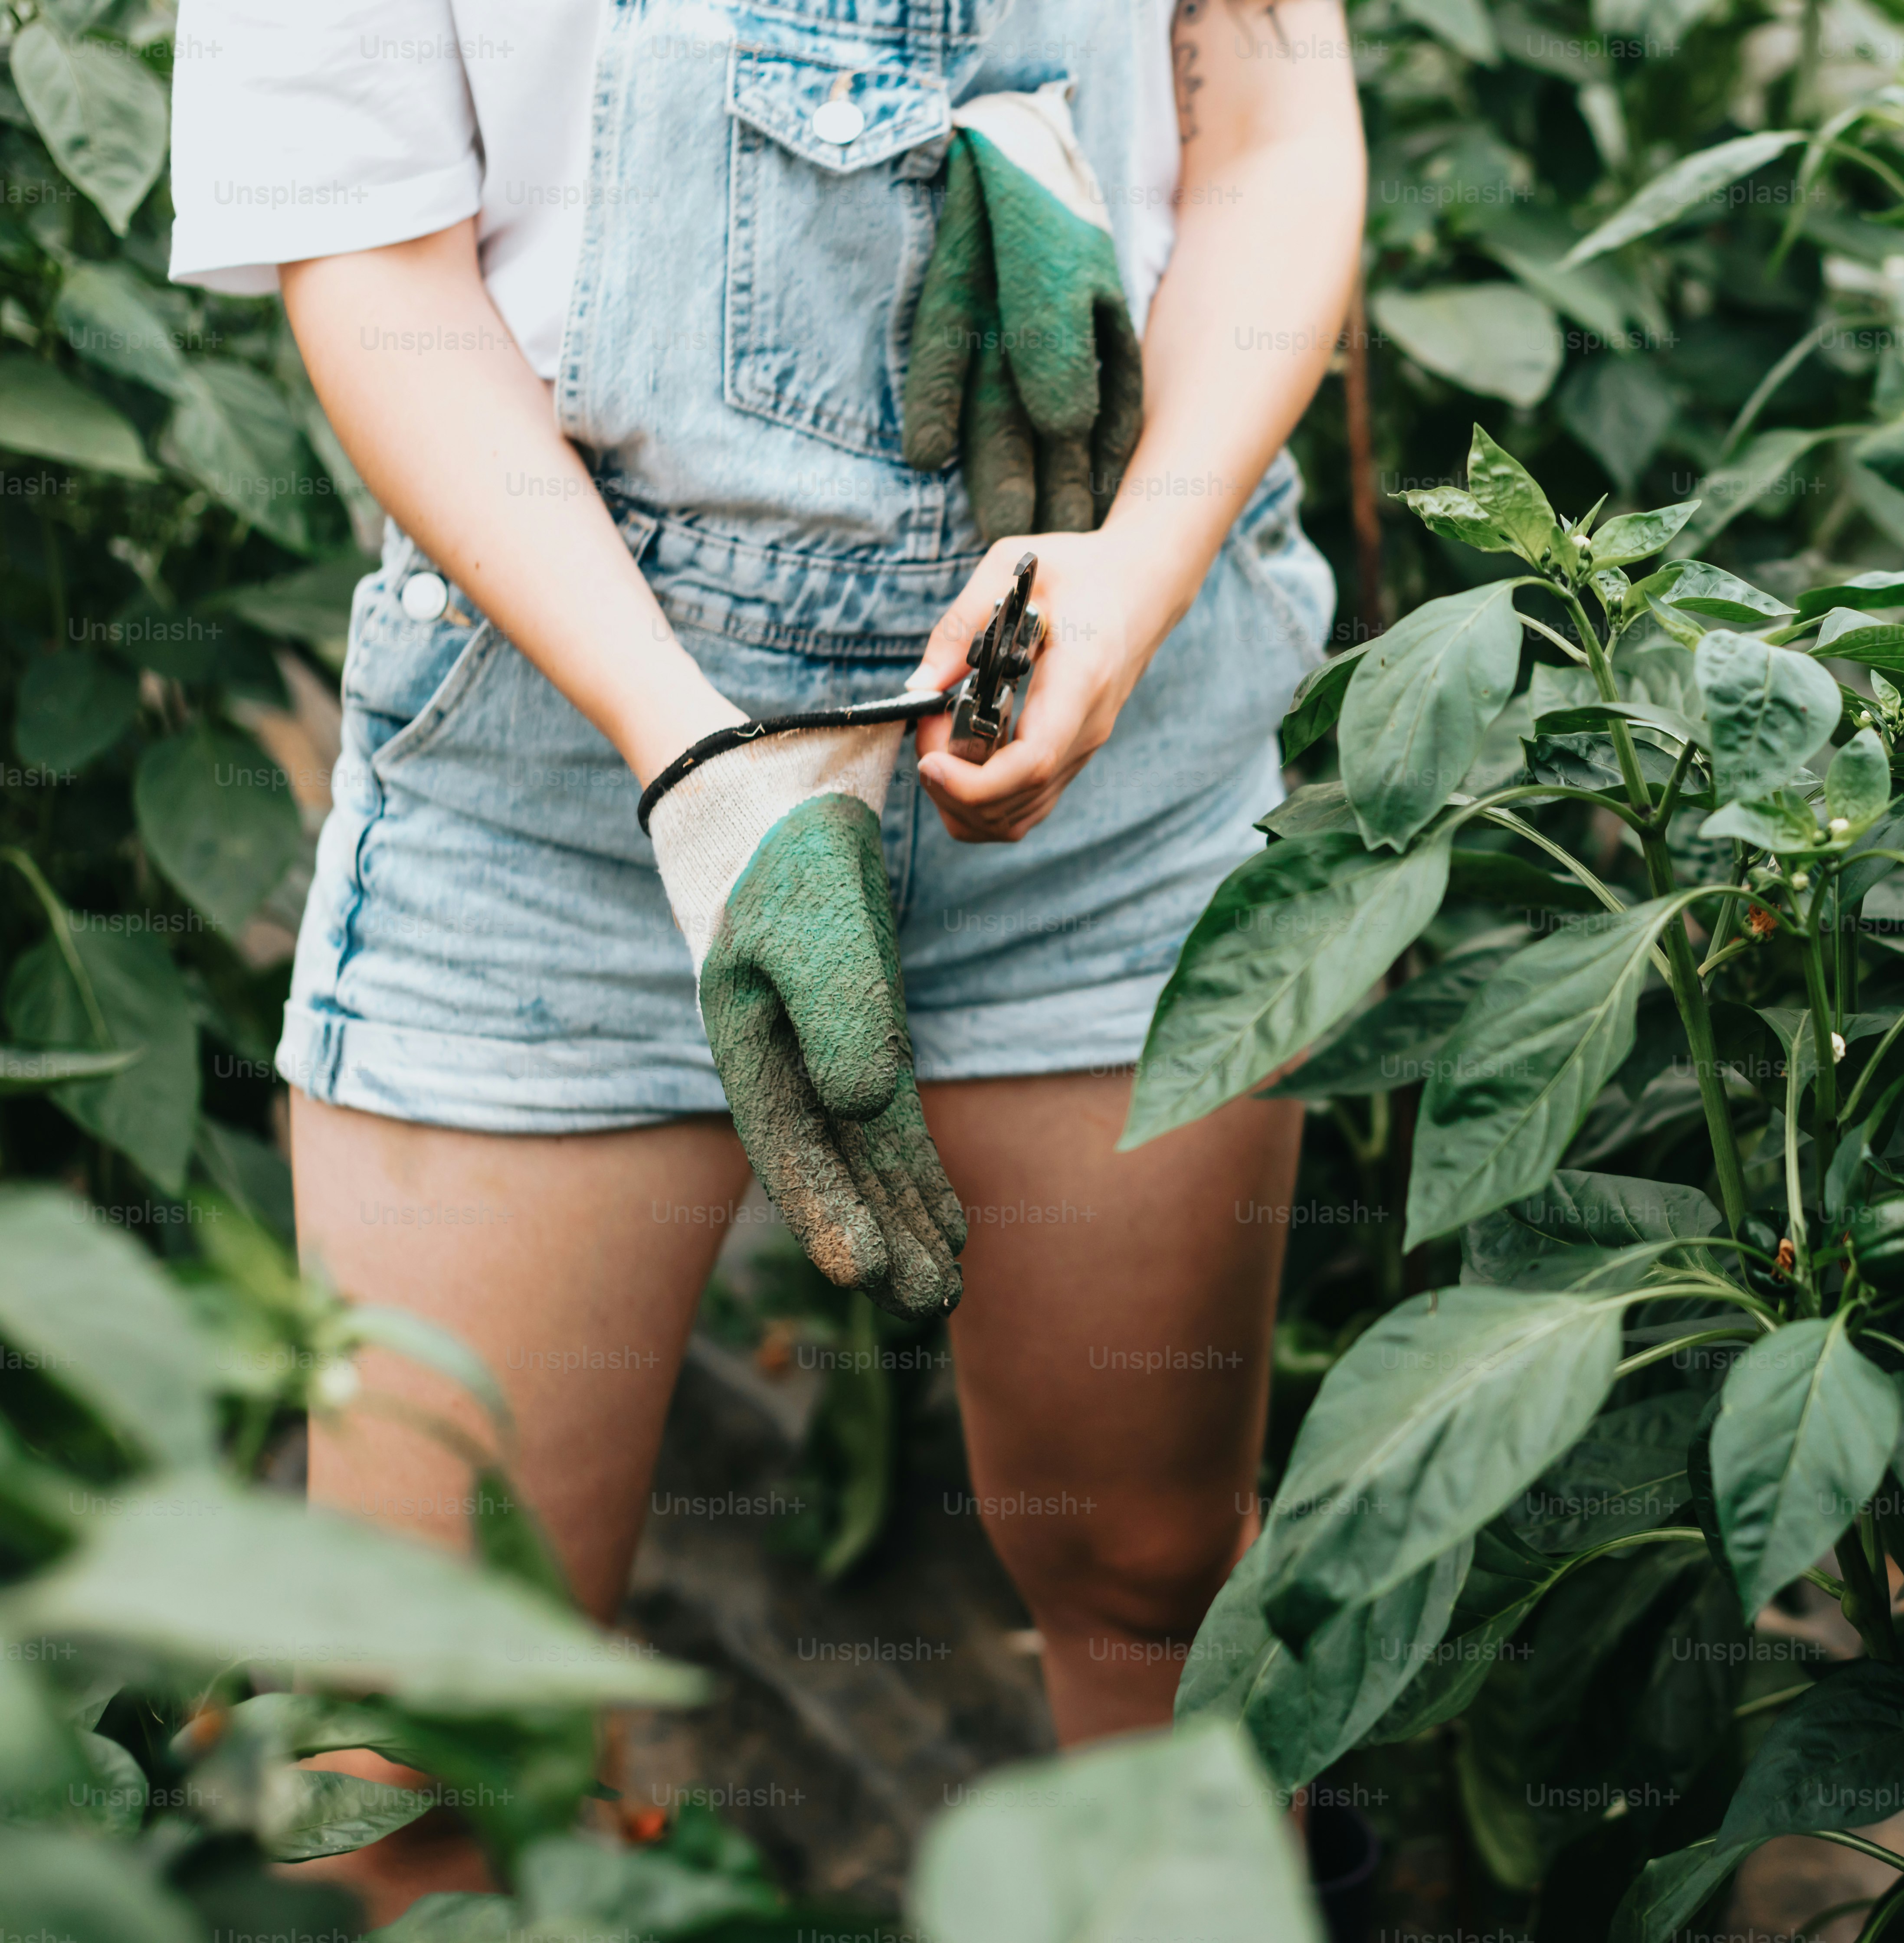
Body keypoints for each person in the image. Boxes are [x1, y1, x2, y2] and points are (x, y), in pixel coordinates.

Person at [169, 0, 1363, 1913]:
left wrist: (1131, 571)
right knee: (419, 1735)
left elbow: (1275, 131)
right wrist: (698, 763)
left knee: (1158, 1583)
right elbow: (370, 259)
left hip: (1110, 694)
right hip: (560, 742)